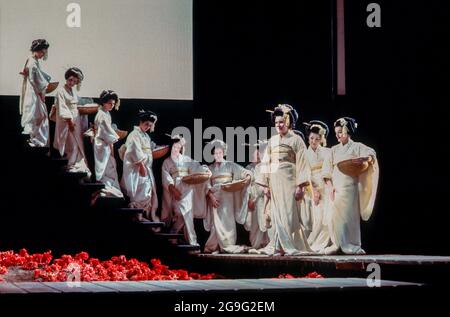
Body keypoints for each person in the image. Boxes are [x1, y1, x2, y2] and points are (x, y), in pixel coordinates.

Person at [256, 104, 312, 256]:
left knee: (288, 213)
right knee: (276, 213)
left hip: (289, 179)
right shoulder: (272, 140)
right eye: (276, 123)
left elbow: (302, 163)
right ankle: (278, 244)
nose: (279, 125)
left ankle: (286, 245)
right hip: (274, 179)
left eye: (281, 122)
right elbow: (266, 162)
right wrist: (265, 184)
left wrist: (300, 186)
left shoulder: (297, 140)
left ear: (288, 122)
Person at [322, 117, 379, 254]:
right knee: (333, 217)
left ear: (348, 131)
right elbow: (326, 170)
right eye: (336, 132)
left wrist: (365, 159)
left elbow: (371, 153)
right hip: (336, 188)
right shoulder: (333, 150)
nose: (338, 135)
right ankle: (336, 244)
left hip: (350, 187)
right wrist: (330, 186)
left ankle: (351, 244)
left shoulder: (357, 147)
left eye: (341, 131)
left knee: (349, 218)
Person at [203, 139, 252, 254]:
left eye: (220, 153)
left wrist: (248, 178)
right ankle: (213, 246)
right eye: (215, 153)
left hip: (228, 199)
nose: (218, 155)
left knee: (228, 222)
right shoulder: (209, 169)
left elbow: (246, 173)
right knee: (216, 225)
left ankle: (228, 245)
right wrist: (211, 197)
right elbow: (206, 185)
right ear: (212, 154)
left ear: (224, 153)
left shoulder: (230, 165)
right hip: (215, 199)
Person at [161, 134, 209, 246]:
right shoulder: (167, 162)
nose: (177, 149)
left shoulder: (187, 160)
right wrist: (172, 189)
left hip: (187, 189)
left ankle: (179, 236)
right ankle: (182, 237)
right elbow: (166, 177)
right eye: (174, 146)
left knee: (187, 213)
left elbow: (198, 168)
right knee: (179, 212)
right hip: (176, 190)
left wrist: (205, 169)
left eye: (179, 147)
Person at [120, 110, 159, 221]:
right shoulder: (134, 134)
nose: (147, 127)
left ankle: (141, 214)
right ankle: (136, 212)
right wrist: (141, 165)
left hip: (146, 167)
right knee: (140, 189)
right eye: (146, 124)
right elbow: (134, 150)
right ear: (141, 122)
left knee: (147, 190)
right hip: (137, 167)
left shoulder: (145, 136)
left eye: (150, 125)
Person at [53, 67, 91, 175]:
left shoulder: (72, 91)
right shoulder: (61, 91)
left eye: (74, 81)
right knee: (72, 144)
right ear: (67, 78)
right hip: (67, 121)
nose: (72, 83)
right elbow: (62, 107)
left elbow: (75, 104)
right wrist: (69, 122)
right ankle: (70, 164)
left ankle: (76, 163)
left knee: (78, 143)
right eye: (70, 80)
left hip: (76, 119)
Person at [303, 120, 333, 252]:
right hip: (314, 186)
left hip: (327, 185)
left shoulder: (328, 152)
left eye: (317, 138)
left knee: (329, 216)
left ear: (321, 139)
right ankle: (312, 243)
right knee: (318, 218)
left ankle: (324, 244)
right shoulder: (305, 154)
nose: (314, 141)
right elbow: (305, 174)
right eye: (311, 138)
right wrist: (313, 191)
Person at [19, 39, 51, 147]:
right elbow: (35, 79)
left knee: (38, 115)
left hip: (33, 90)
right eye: (42, 52)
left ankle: (36, 140)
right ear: (37, 50)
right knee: (38, 115)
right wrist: (42, 91)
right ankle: (36, 140)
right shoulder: (32, 61)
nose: (43, 54)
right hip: (34, 91)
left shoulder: (32, 60)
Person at [93, 90, 123, 197]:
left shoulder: (106, 113)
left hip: (104, 143)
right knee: (105, 167)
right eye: (110, 103)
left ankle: (108, 188)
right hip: (102, 143)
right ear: (104, 102)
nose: (112, 105)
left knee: (110, 167)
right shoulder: (101, 114)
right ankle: (102, 188)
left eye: (113, 104)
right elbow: (106, 131)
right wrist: (113, 140)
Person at [244, 141, 270, 249]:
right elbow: (247, 186)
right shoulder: (248, 168)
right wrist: (250, 199)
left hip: (265, 197)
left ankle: (268, 244)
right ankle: (256, 245)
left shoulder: (266, 166)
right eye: (255, 153)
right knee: (254, 224)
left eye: (259, 153)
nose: (258, 155)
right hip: (254, 197)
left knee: (267, 220)